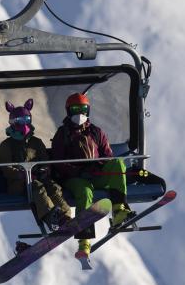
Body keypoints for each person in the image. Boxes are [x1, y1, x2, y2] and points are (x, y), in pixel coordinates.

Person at [51, 93, 134, 260]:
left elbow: (108, 156)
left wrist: (98, 167)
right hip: (74, 178)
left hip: (95, 174)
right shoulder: (63, 134)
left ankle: (119, 211)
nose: (79, 114)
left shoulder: (96, 132)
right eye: (75, 110)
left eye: (83, 109)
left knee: (117, 164)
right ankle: (84, 241)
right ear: (68, 111)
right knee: (85, 191)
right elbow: (58, 162)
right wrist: (78, 172)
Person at [0, 99, 72, 230]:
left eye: (26, 120)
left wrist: (45, 169)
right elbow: (6, 168)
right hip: (18, 184)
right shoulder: (6, 145)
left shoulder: (36, 142)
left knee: (53, 187)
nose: (24, 124)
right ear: (13, 123)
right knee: (37, 187)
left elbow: (45, 159)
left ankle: (65, 216)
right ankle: (51, 216)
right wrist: (23, 175)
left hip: (39, 178)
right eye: (20, 121)